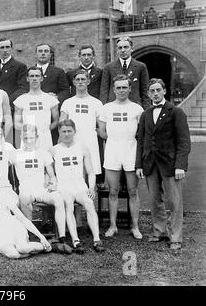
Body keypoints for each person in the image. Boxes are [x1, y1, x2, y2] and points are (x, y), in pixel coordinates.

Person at [136, 78, 191, 251]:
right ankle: (159, 231)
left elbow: (184, 142)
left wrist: (180, 165)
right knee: (154, 199)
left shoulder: (176, 112)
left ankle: (175, 236)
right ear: (149, 93)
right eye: (152, 91)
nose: (155, 93)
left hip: (171, 164)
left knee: (174, 202)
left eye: (158, 90)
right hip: (150, 163)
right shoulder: (145, 114)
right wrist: (139, 164)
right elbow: (141, 141)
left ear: (164, 91)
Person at [11, 124, 72, 254]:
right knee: (24, 197)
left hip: (40, 188)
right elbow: (3, 168)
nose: (28, 141)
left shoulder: (43, 153)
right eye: (26, 138)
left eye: (31, 138)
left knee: (58, 198)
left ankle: (61, 238)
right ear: (21, 137)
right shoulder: (15, 154)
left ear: (37, 137)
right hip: (26, 188)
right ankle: (29, 234)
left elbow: (52, 175)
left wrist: (53, 184)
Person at [98, 75, 144, 239]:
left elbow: (141, 133)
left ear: (130, 89)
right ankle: (112, 225)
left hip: (131, 151)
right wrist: (114, 141)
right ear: (114, 89)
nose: (121, 90)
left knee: (132, 191)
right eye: (118, 87)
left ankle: (135, 226)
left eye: (125, 87)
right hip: (112, 151)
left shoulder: (137, 109)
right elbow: (102, 132)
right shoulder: (106, 108)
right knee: (113, 191)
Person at [50, 119, 105, 253]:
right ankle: (76, 241)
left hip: (79, 185)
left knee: (89, 203)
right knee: (68, 204)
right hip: (64, 186)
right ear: (59, 132)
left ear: (74, 132)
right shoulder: (53, 150)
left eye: (69, 131)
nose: (67, 134)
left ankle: (97, 239)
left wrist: (91, 187)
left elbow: (91, 172)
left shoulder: (82, 147)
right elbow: (49, 173)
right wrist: (51, 183)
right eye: (64, 131)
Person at [60, 70, 103, 176]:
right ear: (74, 82)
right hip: (72, 142)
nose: (80, 82)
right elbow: (61, 125)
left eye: (83, 79)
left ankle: (92, 192)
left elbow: (102, 128)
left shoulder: (97, 103)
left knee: (91, 175)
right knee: (74, 175)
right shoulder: (67, 103)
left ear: (88, 81)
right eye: (77, 80)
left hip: (90, 143)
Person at [13, 66, 59, 151]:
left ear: (41, 78)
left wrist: (45, 129)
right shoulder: (20, 100)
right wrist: (28, 132)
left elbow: (56, 121)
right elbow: (16, 123)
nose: (34, 79)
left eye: (37, 76)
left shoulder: (51, 99)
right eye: (32, 76)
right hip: (28, 140)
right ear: (27, 78)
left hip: (45, 140)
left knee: (46, 163)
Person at [0, 37, 28, 145]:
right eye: (2, 47)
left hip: (12, 109)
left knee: (11, 141)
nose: (5, 50)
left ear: (11, 49)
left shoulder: (20, 66)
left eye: (7, 47)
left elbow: (22, 88)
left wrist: (6, 102)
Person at [100, 36, 150, 110]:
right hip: (114, 107)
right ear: (117, 50)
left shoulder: (140, 67)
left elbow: (145, 92)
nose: (123, 50)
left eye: (126, 47)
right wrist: (103, 109)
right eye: (120, 48)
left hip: (134, 107)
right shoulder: (108, 67)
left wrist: (146, 111)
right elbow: (104, 91)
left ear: (132, 48)